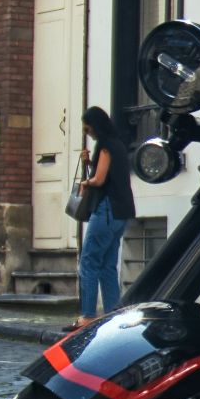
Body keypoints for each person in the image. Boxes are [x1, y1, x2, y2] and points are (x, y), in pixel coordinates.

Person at [72, 107, 135, 330]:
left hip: (106, 209)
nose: (86, 131)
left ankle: (88, 316)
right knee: (108, 264)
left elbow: (99, 180)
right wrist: (88, 163)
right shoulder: (118, 144)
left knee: (89, 261)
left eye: (87, 127)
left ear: (94, 125)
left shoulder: (105, 145)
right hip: (122, 211)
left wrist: (84, 183)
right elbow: (109, 174)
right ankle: (112, 313)